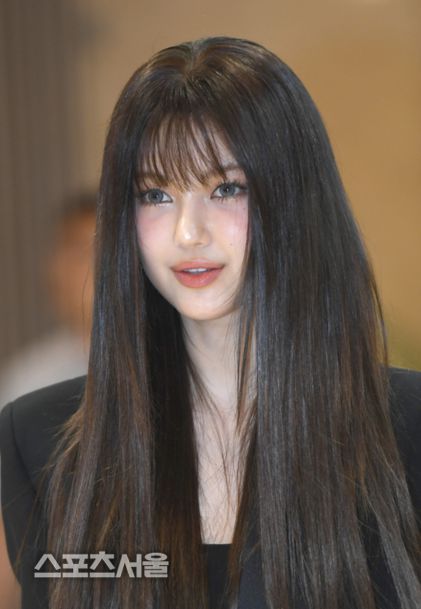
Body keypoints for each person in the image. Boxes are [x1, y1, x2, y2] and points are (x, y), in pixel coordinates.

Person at [0, 36, 420, 609]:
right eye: (156, 195)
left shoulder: (407, 429)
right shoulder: (40, 441)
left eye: (226, 188)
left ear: (294, 199)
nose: (188, 233)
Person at [0, 194, 96, 406]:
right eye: (63, 253)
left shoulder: (160, 362)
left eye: (82, 254)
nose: (61, 269)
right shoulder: (29, 379)